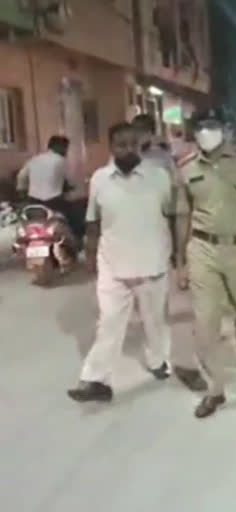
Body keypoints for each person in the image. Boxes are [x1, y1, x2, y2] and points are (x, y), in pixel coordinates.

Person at [175, 107, 236, 418]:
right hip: (202, 248)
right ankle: (214, 389)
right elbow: (183, 214)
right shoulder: (186, 167)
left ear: (224, 128)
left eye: (212, 124)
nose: (207, 131)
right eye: (201, 126)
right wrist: (179, 259)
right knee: (205, 323)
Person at [67, 123, 174, 403]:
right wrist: (90, 256)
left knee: (155, 322)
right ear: (110, 146)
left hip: (152, 262)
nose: (126, 150)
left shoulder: (159, 176)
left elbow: (173, 216)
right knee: (109, 324)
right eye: (120, 144)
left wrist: (180, 255)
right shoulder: (100, 179)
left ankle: (158, 361)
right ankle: (94, 380)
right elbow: (93, 221)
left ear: (140, 144)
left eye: (131, 144)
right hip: (112, 265)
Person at [131, 114, 206, 391]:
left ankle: (177, 359)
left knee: (163, 300)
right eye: (135, 132)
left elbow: (178, 207)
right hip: (129, 239)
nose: (139, 138)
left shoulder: (163, 161)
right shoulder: (120, 161)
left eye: (143, 132)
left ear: (150, 133)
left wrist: (180, 250)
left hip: (158, 234)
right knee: (142, 300)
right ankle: (157, 351)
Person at [16, 135, 84, 240]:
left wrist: (22, 193)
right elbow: (71, 180)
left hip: (33, 201)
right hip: (55, 202)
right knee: (77, 219)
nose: (66, 151)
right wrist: (71, 186)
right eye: (65, 148)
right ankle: (78, 242)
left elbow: (21, 177)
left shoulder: (34, 159)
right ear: (60, 147)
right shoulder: (61, 161)